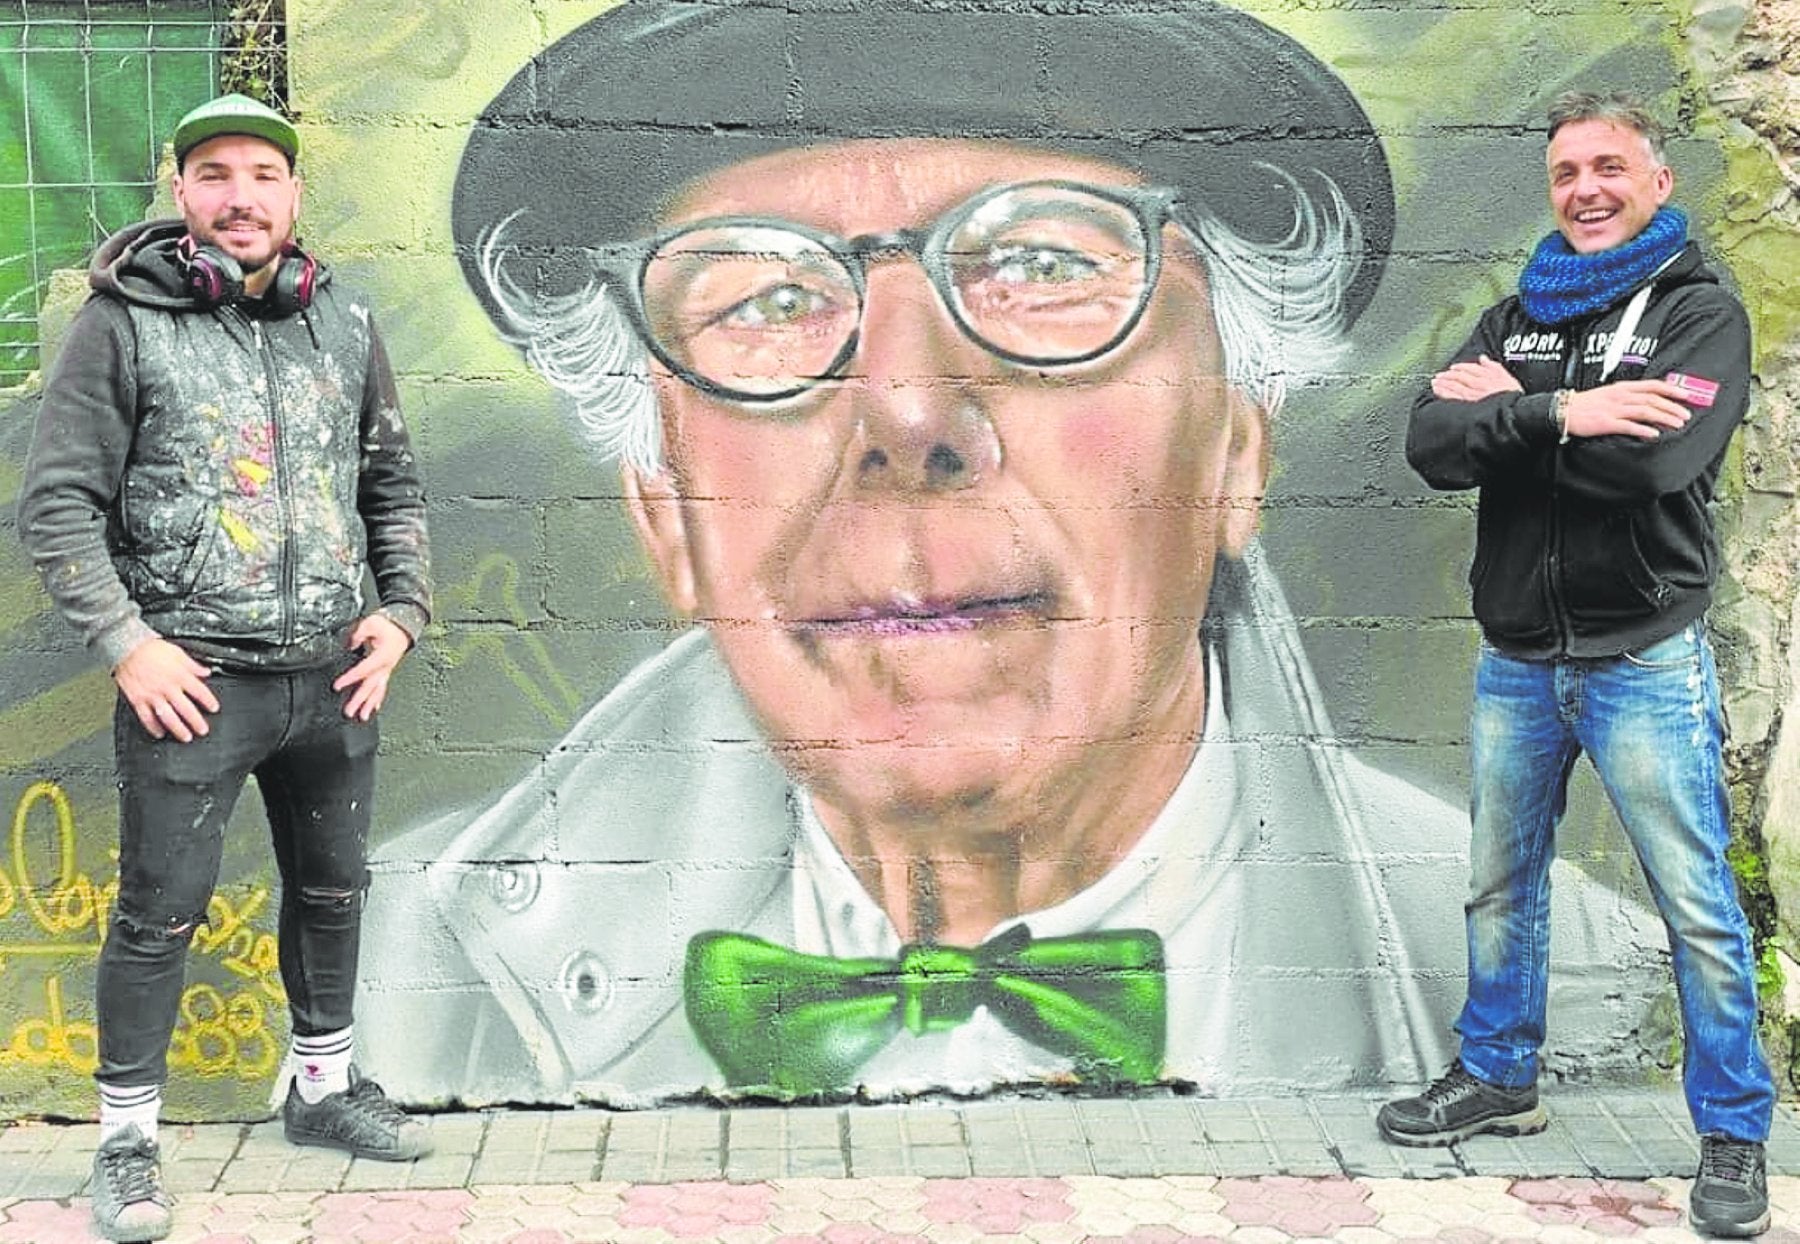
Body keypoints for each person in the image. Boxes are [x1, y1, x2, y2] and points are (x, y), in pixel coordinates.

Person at [359, 0, 1666, 1107]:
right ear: (663, 507)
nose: (912, 414)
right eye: (763, 299)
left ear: (1235, 449)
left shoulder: (1575, 980)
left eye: (1042, 266)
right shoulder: (404, 963)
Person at [16, 94, 435, 1243]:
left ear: (295, 196)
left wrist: (400, 612)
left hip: (333, 673)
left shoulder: (341, 321)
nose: (240, 194)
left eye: (262, 173)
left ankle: (321, 1085)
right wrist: (129, 642)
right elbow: (57, 507)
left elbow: (390, 485)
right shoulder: (123, 325)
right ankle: (126, 1140)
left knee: (334, 887)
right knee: (159, 913)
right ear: (182, 194)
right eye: (213, 174)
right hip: (192, 681)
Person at [1385, 91, 1774, 1238]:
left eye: (1609, 166)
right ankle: (1500, 1072)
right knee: (1500, 883)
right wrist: (1566, 411)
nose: (1586, 188)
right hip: (1520, 654)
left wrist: (1520, 418)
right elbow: (1429, 443)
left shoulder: (1703, 314)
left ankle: (1735, 1127)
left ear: (1656, 180)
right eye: (1566, 171)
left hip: (1643, 652)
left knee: (1696, 902)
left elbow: (1661, 469)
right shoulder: (1518, 318)